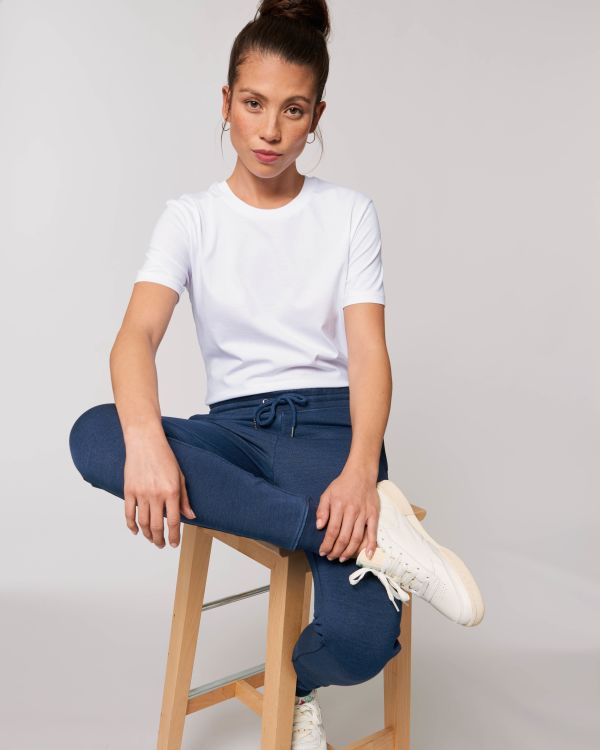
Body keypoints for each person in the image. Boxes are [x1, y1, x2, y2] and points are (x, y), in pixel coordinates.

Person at [68, 1, 484, 747]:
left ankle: (299, 684)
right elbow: (135, 338)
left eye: (292, 110)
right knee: (97, 435)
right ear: (226, 102)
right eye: (254, 104)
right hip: (233, 434)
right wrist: (148, 442)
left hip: (328, 436)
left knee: (362, 641)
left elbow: (368, 353)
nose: (269, 130)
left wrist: (359, 471)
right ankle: (362, 540)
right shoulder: (190, 218)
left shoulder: (348, 213)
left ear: (316, 116)